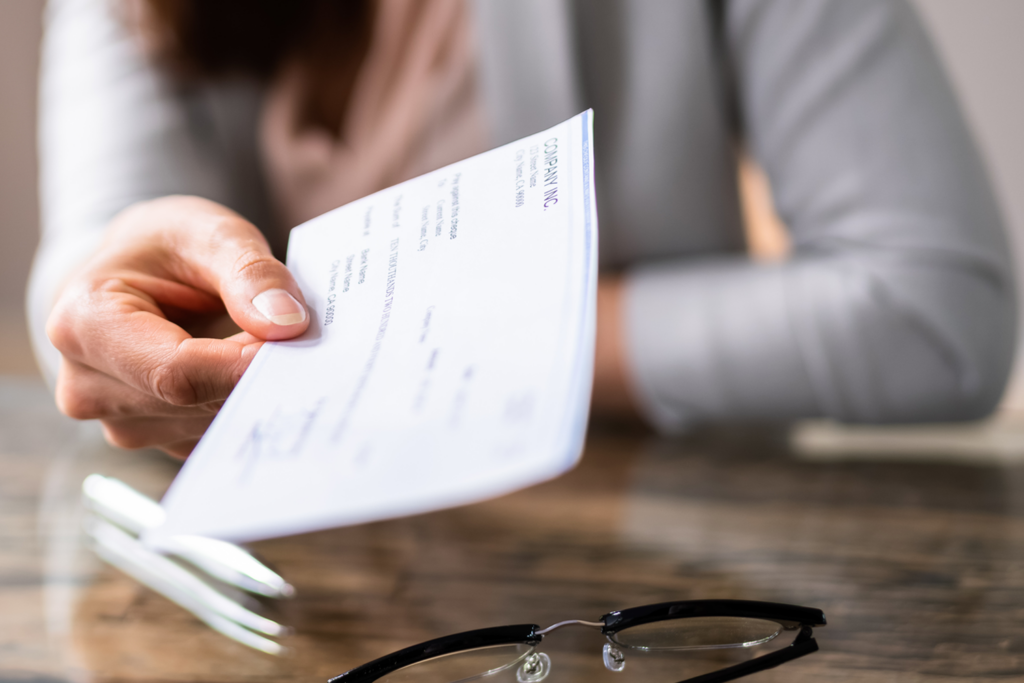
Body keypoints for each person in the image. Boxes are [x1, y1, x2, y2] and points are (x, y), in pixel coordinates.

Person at [29, 0, 1016, 458]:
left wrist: (461, 342)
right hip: (284, 583)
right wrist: (99, 303)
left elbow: (932, 311)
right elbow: (89, 263)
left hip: (649, 560)